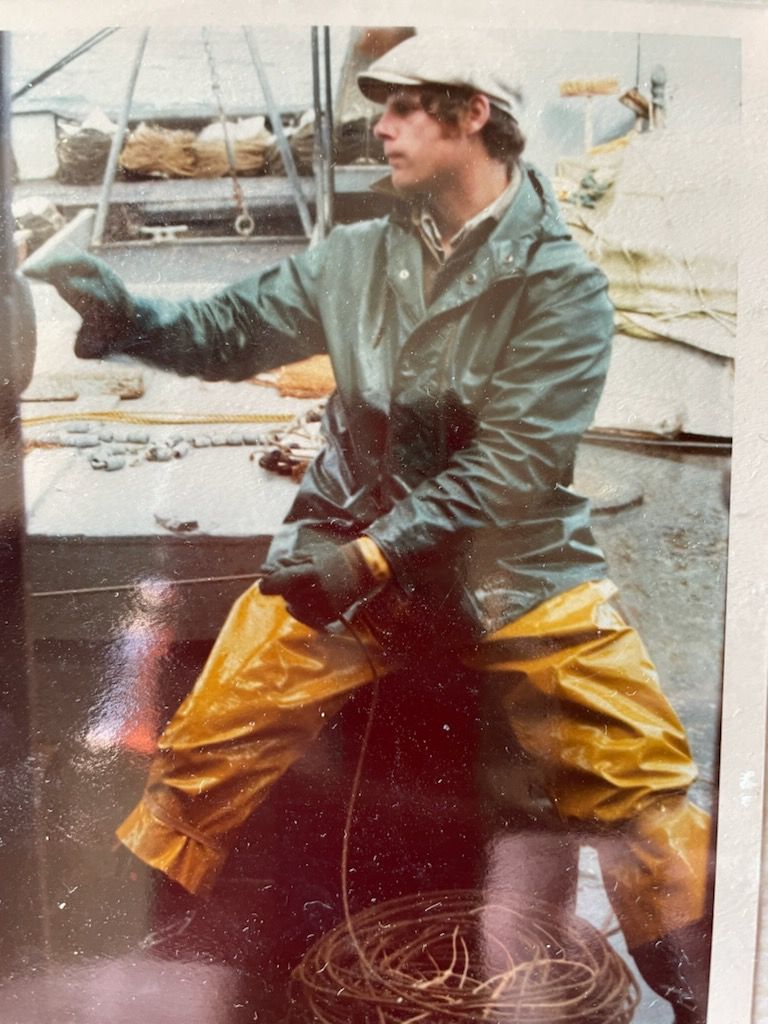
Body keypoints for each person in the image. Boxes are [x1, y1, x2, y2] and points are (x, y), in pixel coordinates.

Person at [27, 31, 712, 1024]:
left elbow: (511, 467)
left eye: (403, 106)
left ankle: (703, 997)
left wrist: (374, 554)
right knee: (201, 756)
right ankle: (160, 961)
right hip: (349, 548)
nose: (378, 125)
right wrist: (127, 313)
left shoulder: (564, 292)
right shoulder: (358, 259)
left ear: (473, 114)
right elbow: (231, 327)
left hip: (512, 571)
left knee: (647, 797)